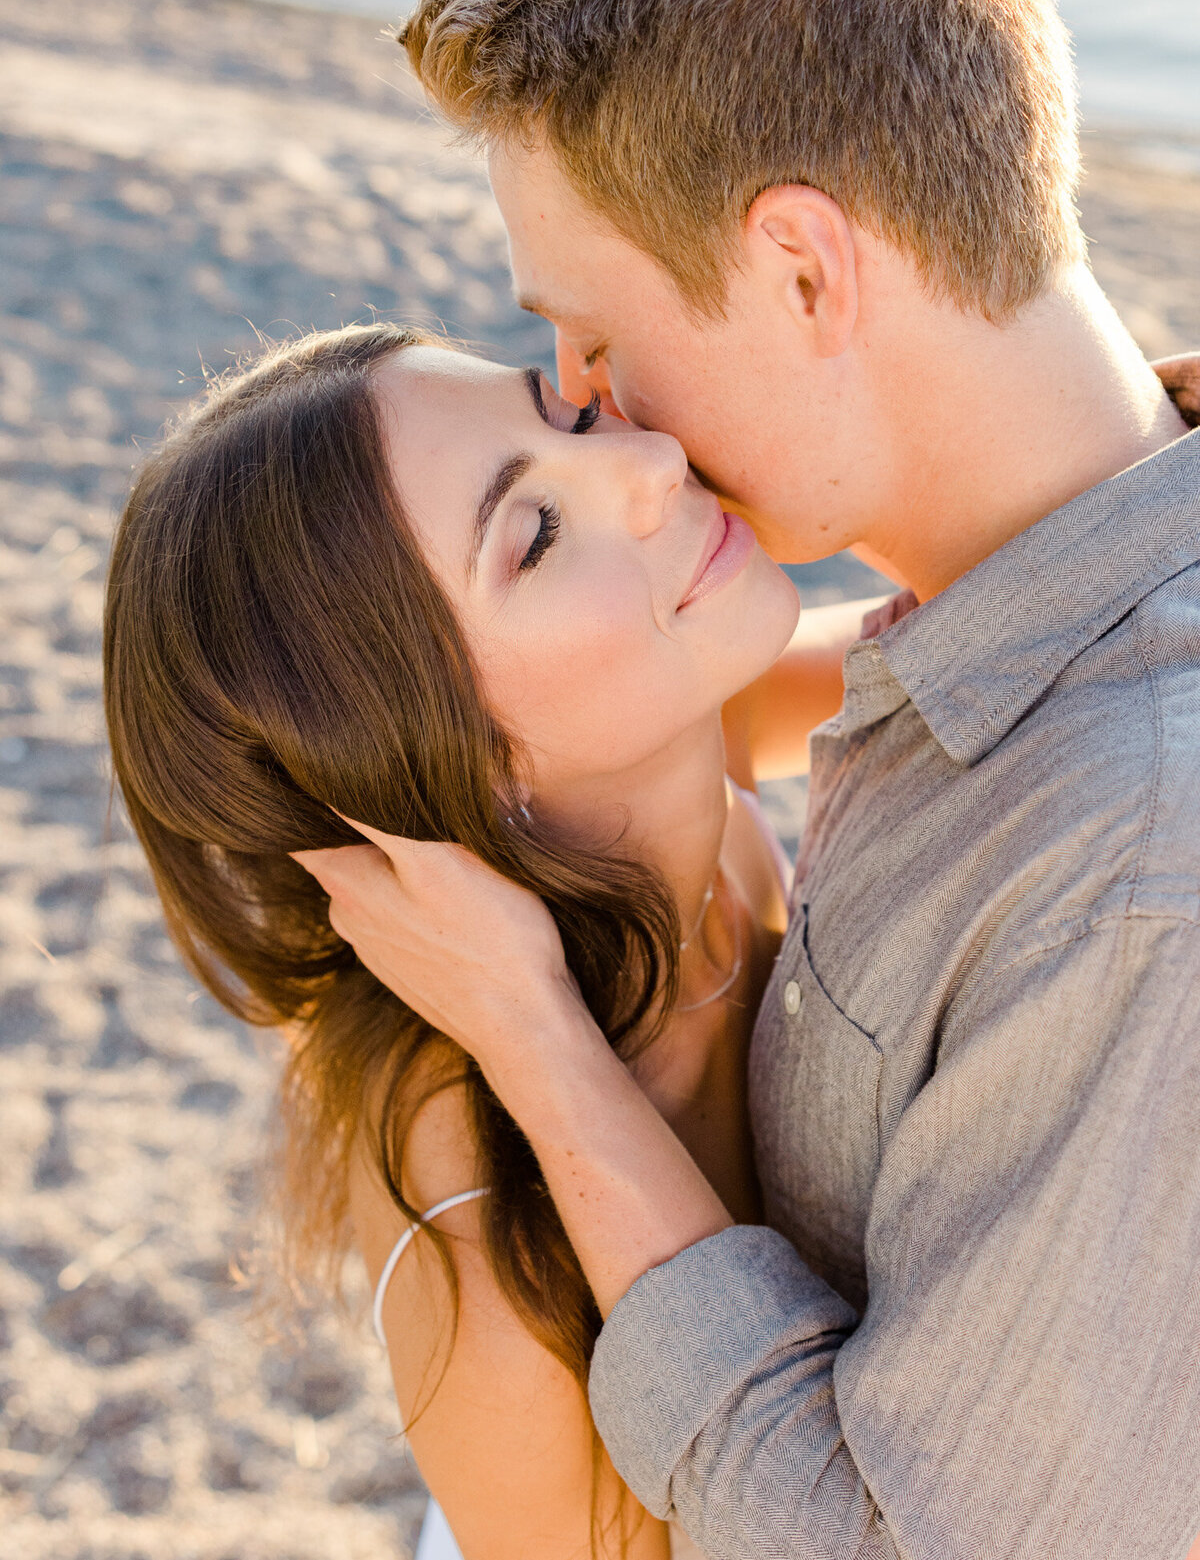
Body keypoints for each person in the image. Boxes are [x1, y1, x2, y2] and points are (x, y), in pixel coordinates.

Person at [293, 0, 1200, 1557]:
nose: (605, 411)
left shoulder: (1128, 869)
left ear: (803, 271)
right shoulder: (1016, 637)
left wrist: (546, 1053)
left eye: (592, 337)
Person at [103, 322, 882, 1559]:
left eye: (568, 418)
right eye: (536, 535)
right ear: (446, 758)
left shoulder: (665, 751)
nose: (653, 461)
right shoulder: (466, 1173)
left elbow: (949, 638)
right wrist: (535, 1031)